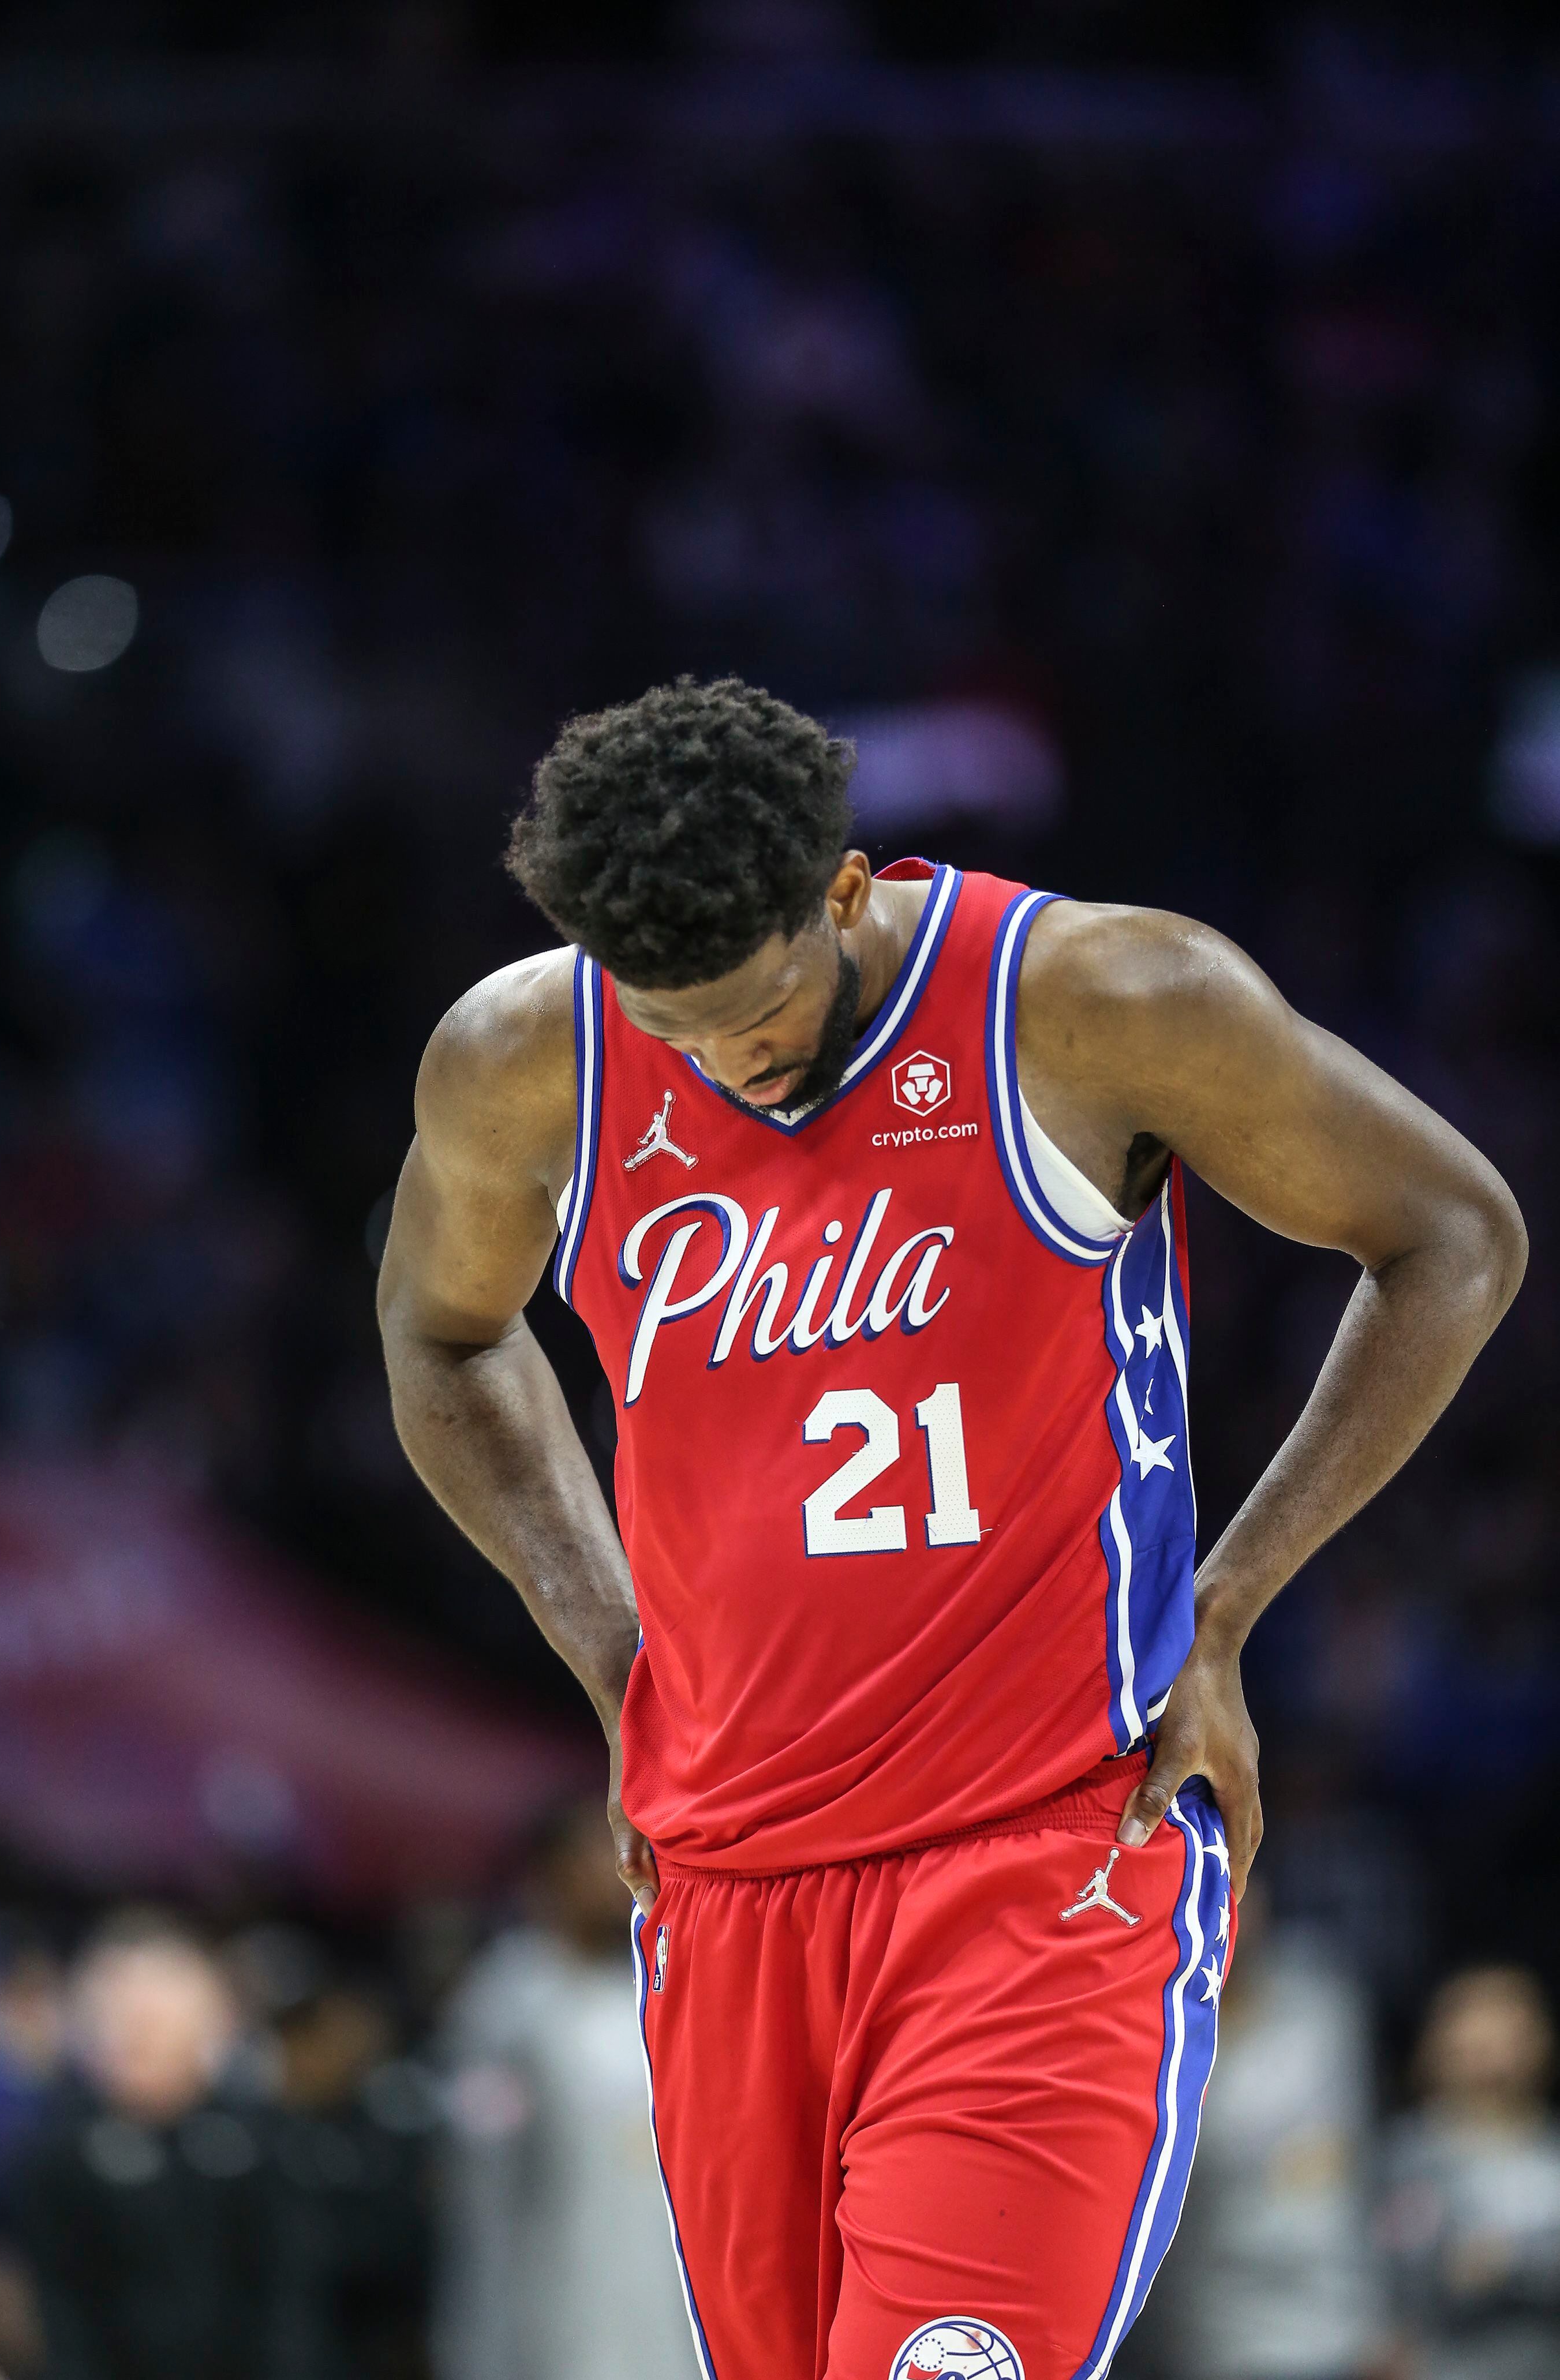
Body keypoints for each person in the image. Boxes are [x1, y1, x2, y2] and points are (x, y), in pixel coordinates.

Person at [376, 676, 1524, 2380]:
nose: (725, 1064)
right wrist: (610, 1652)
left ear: (842, 889)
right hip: (728, 1880)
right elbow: (442, 1336)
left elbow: (1450, 1234)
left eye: (755, 1011)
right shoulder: (521, 1055)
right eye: (674, 1027)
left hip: (1046, 1853)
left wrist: (1225, 1608)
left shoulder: (1098, 996)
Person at [431, 1797, 694, 2380]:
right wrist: (483, 2351)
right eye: (596, 1854)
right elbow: (483, 2200)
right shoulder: (505, 2006)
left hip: (666, 2320)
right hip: (553, 2324)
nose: (622, 1869)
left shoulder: (662, 1986)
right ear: (547, 1876)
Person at [13, 1911, 316, 2380]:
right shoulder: (60, 2151)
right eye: (120, 2017)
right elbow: (60, 2308)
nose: (136, 2035)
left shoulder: (256, 2139)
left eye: (155, 2019)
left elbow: (288, 2296)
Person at [1135, 1883, 1389, 2380]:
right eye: (1205, 1892)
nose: (1231, 1912)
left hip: (1342, 2314)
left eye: (1239, 1892)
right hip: (1213, 2325)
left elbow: (1349, 2155)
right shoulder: (1155, 2028)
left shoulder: (1321, 2001)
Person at [1379, 1967, 1560, 2380]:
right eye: (1473, 2047)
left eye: (1504, 2045)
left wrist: (1509, 2262)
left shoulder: (1552, 2155)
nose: (1489, 2065)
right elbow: (1410, 2274)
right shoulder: (1408, 2156)